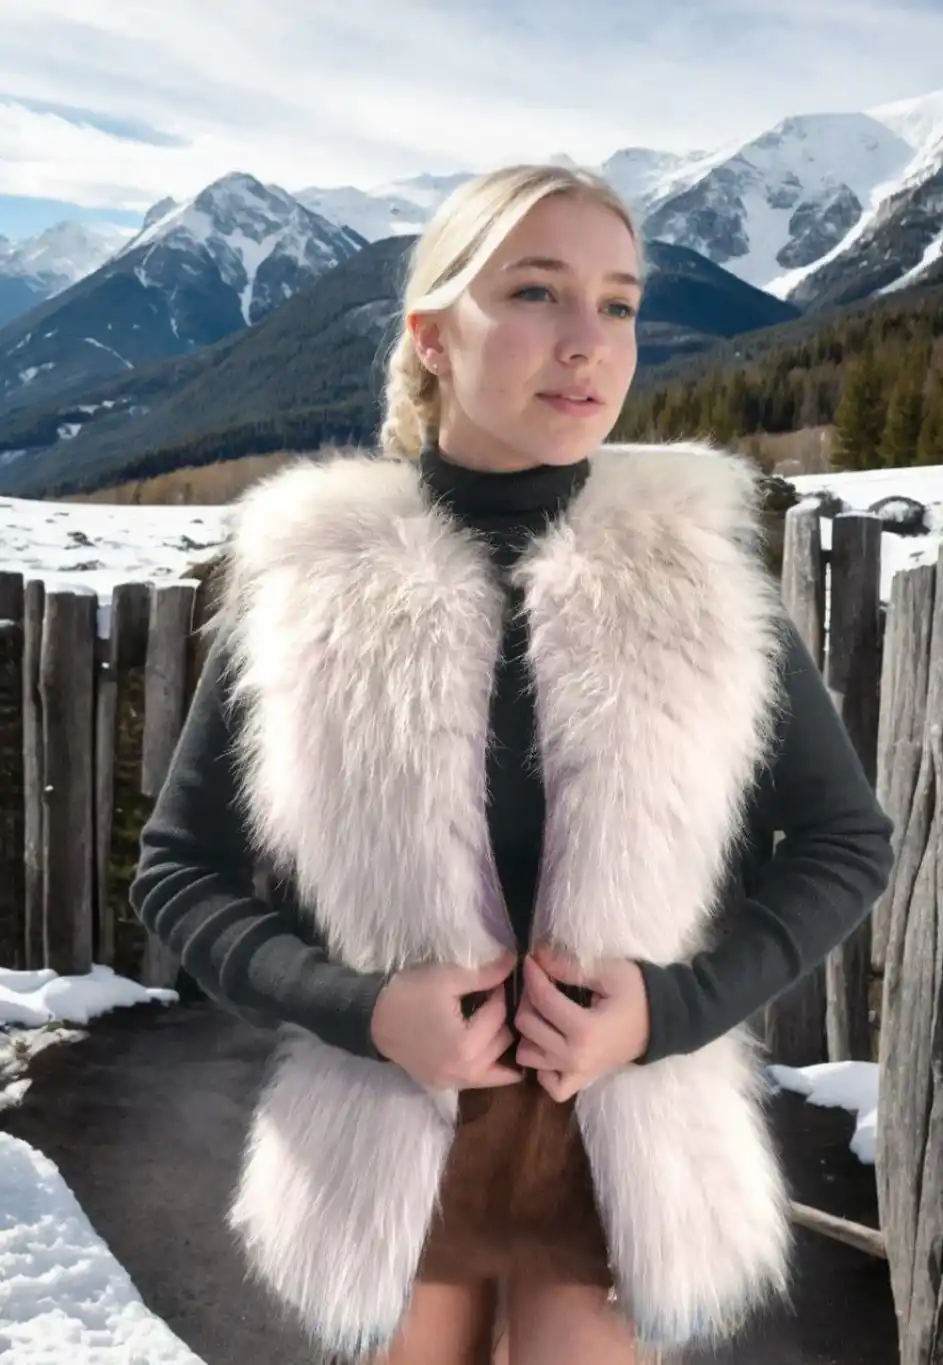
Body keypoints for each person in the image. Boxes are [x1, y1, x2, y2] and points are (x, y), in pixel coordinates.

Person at [129, 163, 894, 1365]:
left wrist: (673, 1009)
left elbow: (847, 841)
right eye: (536, 292)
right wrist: (360, 1010)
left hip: (623, 1141)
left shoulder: (693, 575)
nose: (587, 341)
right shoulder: (308, 582)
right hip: (386, 1132)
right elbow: (179, 873)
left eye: (619, 304)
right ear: (433, 337)